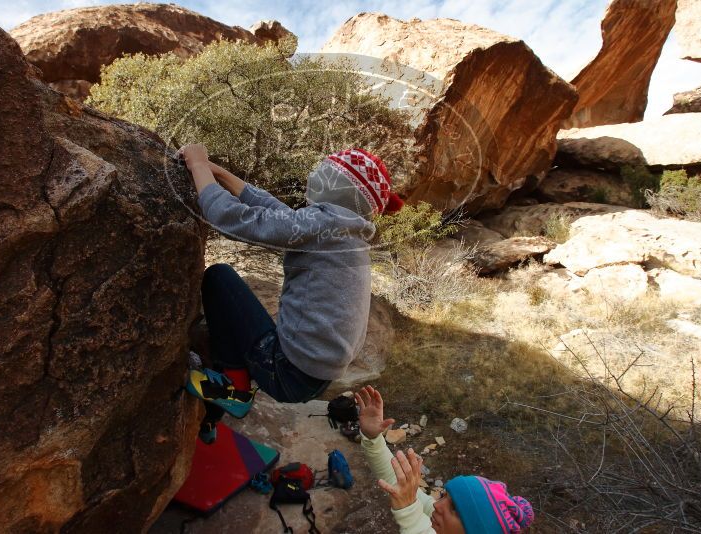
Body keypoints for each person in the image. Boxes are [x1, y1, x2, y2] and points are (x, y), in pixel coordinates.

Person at [177, 143, 404, 443]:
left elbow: (231, 218)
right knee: (236, 323)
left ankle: (237, 390)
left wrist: (197, 166)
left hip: (286, 371)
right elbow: (278, 213)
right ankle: (212, 417)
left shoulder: (327, 225)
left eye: (323, 171)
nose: (313, 174)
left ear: (338, 187)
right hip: (314, 378)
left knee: (220, 279)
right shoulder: (344, 231)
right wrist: (216, 171)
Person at [356, 386, 535, 533]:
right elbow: (395, 482)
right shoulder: (438, 514)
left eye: (455, 509)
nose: (438, 506)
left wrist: (409, 509)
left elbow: (416, 524)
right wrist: (373, 440)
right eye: (444, 496)